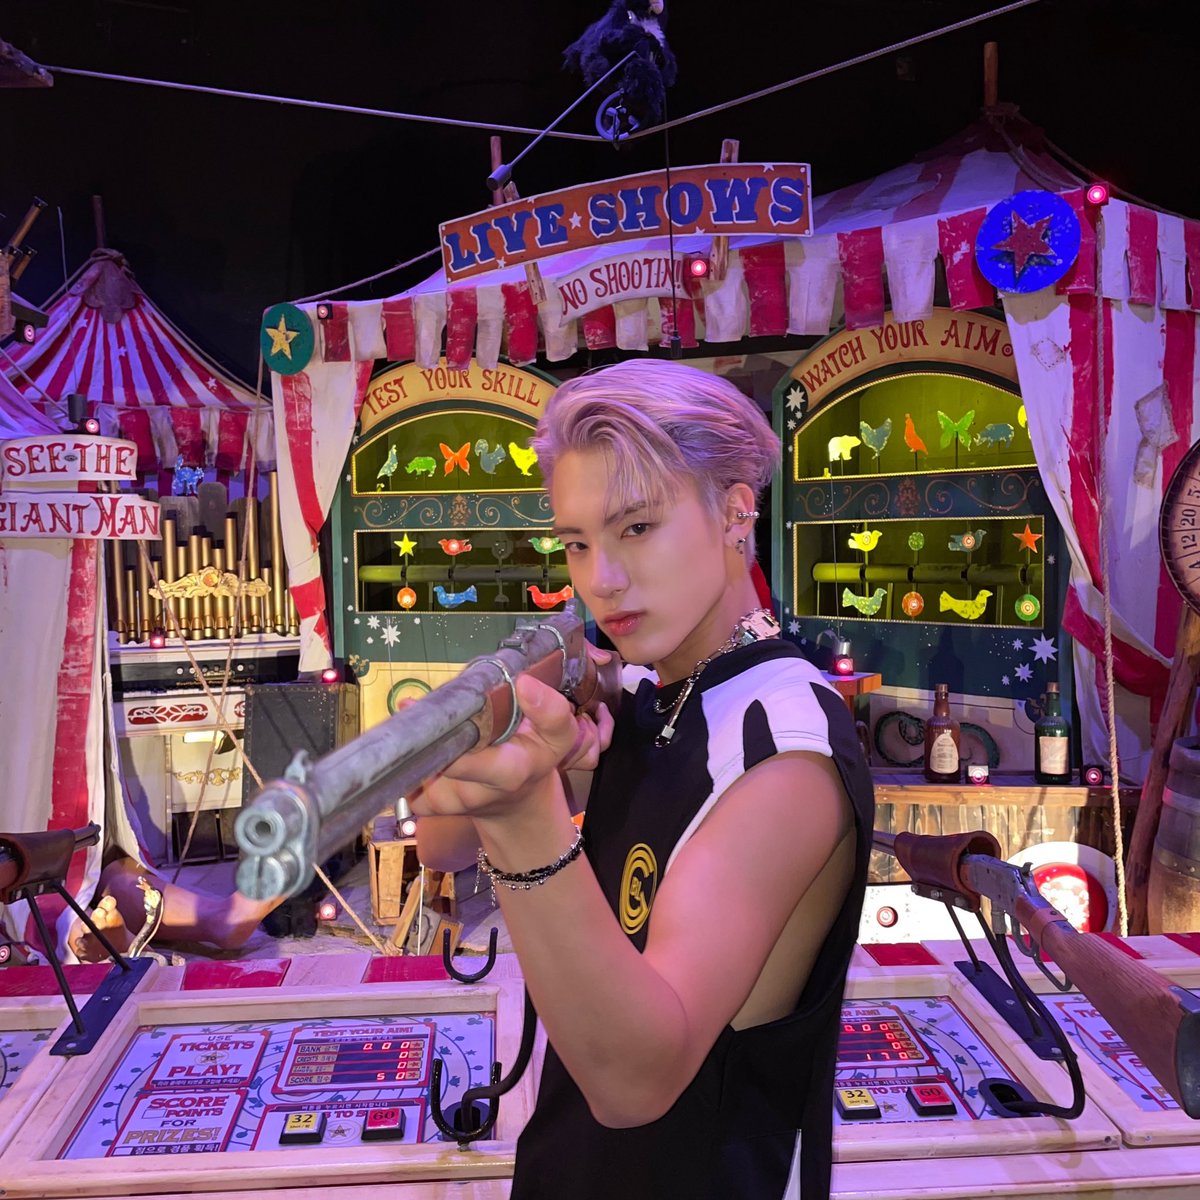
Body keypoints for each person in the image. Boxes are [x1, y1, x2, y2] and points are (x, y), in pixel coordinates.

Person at [415, 359, 874, 1199]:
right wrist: (507, 720)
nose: (602, 579)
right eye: (577, 543)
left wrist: (525, 817)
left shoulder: (785, 747)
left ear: (735, 512)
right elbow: (440, 844)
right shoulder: (649, 692)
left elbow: (635, 1082)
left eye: (637, 528)